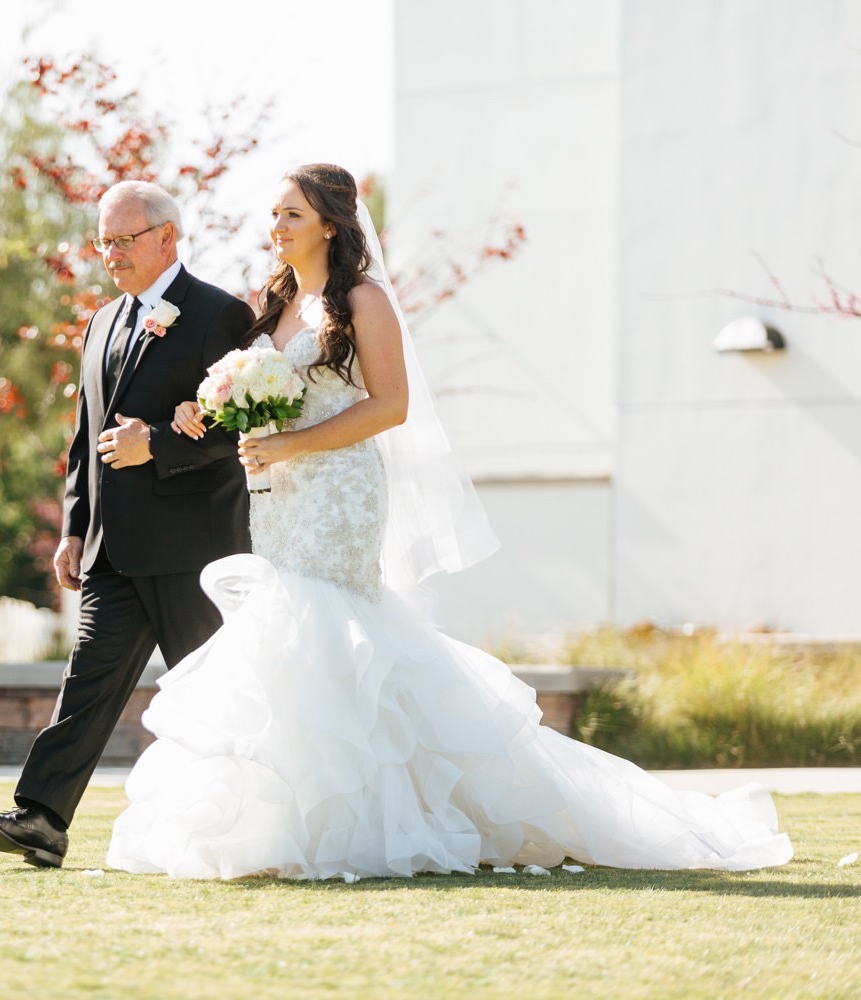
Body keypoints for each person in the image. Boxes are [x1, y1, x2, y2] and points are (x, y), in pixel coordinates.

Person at [105, 164, 793, 879]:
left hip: (339, 491)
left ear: (331, 226)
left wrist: (292, 445)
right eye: (273, 214)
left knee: (326, 629)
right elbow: (257, 399)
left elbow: (389, 406)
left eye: (291, 216)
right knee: (289, 639)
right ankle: (288, 821)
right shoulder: (272, 304)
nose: (274, 227)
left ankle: (363, 822)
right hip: (278, 496)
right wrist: (204, 412)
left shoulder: (362, 302)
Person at [0, 180, 256, 868]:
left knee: (217, 697)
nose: (111, 254)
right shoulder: (100, 322)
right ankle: (41, 819)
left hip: (195, 551)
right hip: (111, 553)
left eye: (125, 240)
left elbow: (243, 426)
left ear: (166, 239)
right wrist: (73, 526)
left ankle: (258, 824)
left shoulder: (222, 315)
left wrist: (159, 442)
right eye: (103, 240)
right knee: (84, 686)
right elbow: (86, 433)